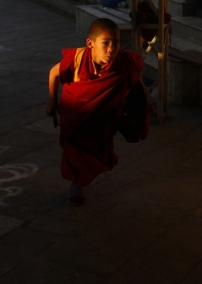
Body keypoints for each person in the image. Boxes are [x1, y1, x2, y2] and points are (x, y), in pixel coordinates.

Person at [46, 18, 149, 205]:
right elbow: (54, 73)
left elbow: (135, 84)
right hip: (77, 117)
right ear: (90, 43)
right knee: (75, 151)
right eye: (106, 43)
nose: (111, 49)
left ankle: (81, 180)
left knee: (98, 153)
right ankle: (76, 184)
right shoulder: (78, 59)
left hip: (103, 119)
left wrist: (141, 107)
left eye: (116, 43)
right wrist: (52, 101)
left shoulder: (123, 63)